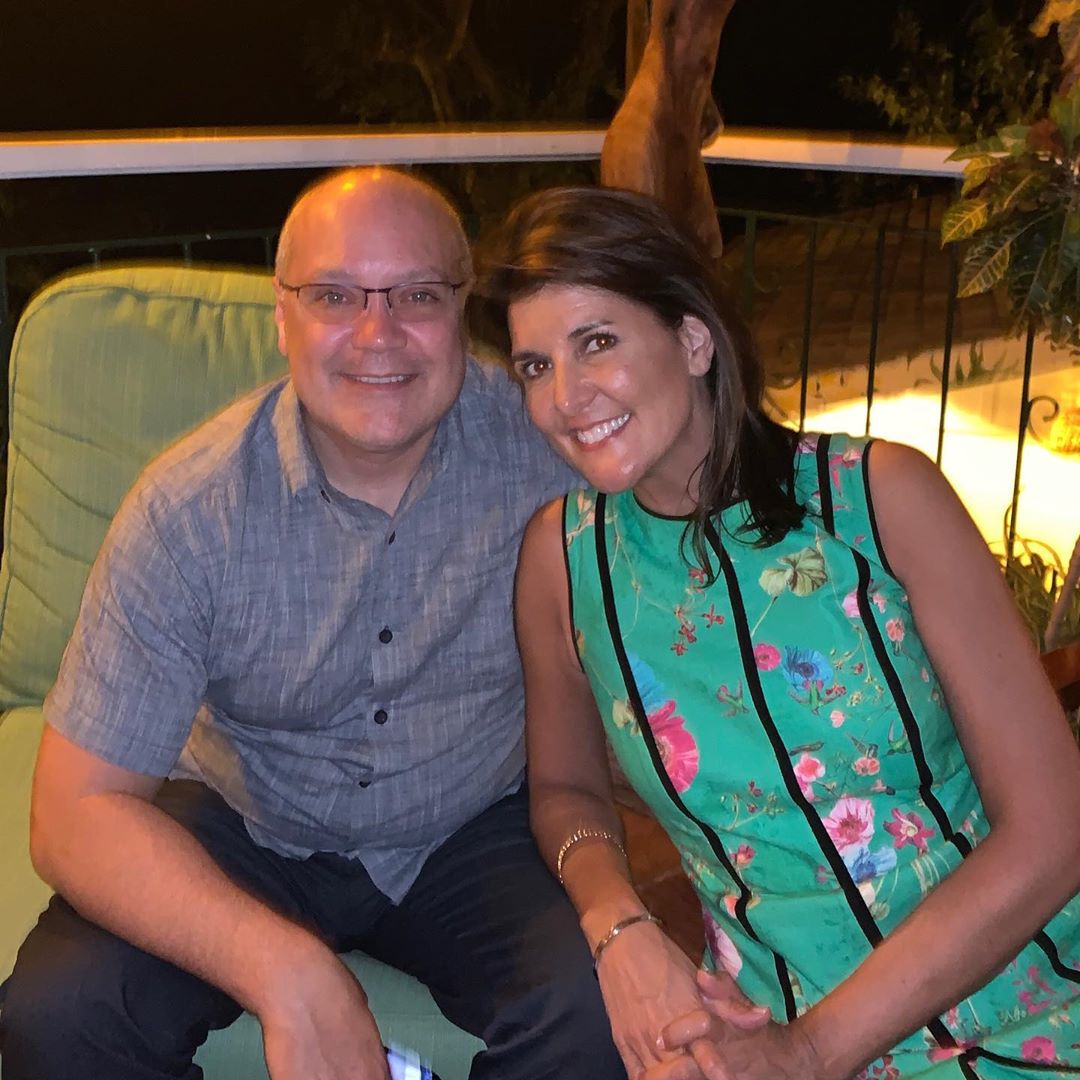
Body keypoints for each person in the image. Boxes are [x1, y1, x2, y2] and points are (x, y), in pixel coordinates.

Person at [0, 168, 628, 1080]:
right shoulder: (190, 511)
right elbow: (71, 813)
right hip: (246, 813)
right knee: (62, 1021)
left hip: (470, 819)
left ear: (462, 309)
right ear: (282, 316)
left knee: (607, 1018)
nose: (378, 334)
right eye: (334, 295)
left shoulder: (548, 454)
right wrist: (282, 969)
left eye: (418, 294)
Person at [476, 184, 1080, 1080]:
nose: (565, 397)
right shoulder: (564, 563)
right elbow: (565, 789)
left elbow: (1054, 830)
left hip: (1027, 993)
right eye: (535, 366)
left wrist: (811, 1050)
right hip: (758, 1025)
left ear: (693, 339)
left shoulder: (879, 501)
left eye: (596, 341)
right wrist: (618, 925)